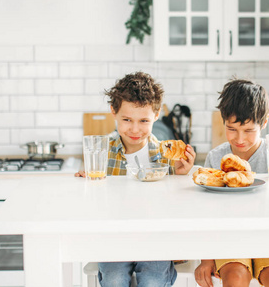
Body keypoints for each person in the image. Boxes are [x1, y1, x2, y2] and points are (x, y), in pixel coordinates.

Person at [76, 71, 196, 287]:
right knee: (113, 280)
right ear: (113, 112)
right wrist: (85, 183)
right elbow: (93, 200)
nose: (134, 129)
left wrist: (180, 176)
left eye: (143, 121)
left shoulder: (167, 155)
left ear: (156, 115)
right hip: (114, 238)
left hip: (155, 240)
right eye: (126, 119)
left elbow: (177, 206)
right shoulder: (101, 154)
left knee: (153, 281)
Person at [194, 79, 269, 287]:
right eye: (231, 129)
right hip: (230, 241)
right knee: (234, 278)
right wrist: (206, 259)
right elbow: (207, 213)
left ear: (264, 122)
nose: (240, 139)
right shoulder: (215, 159)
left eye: (249, 130)